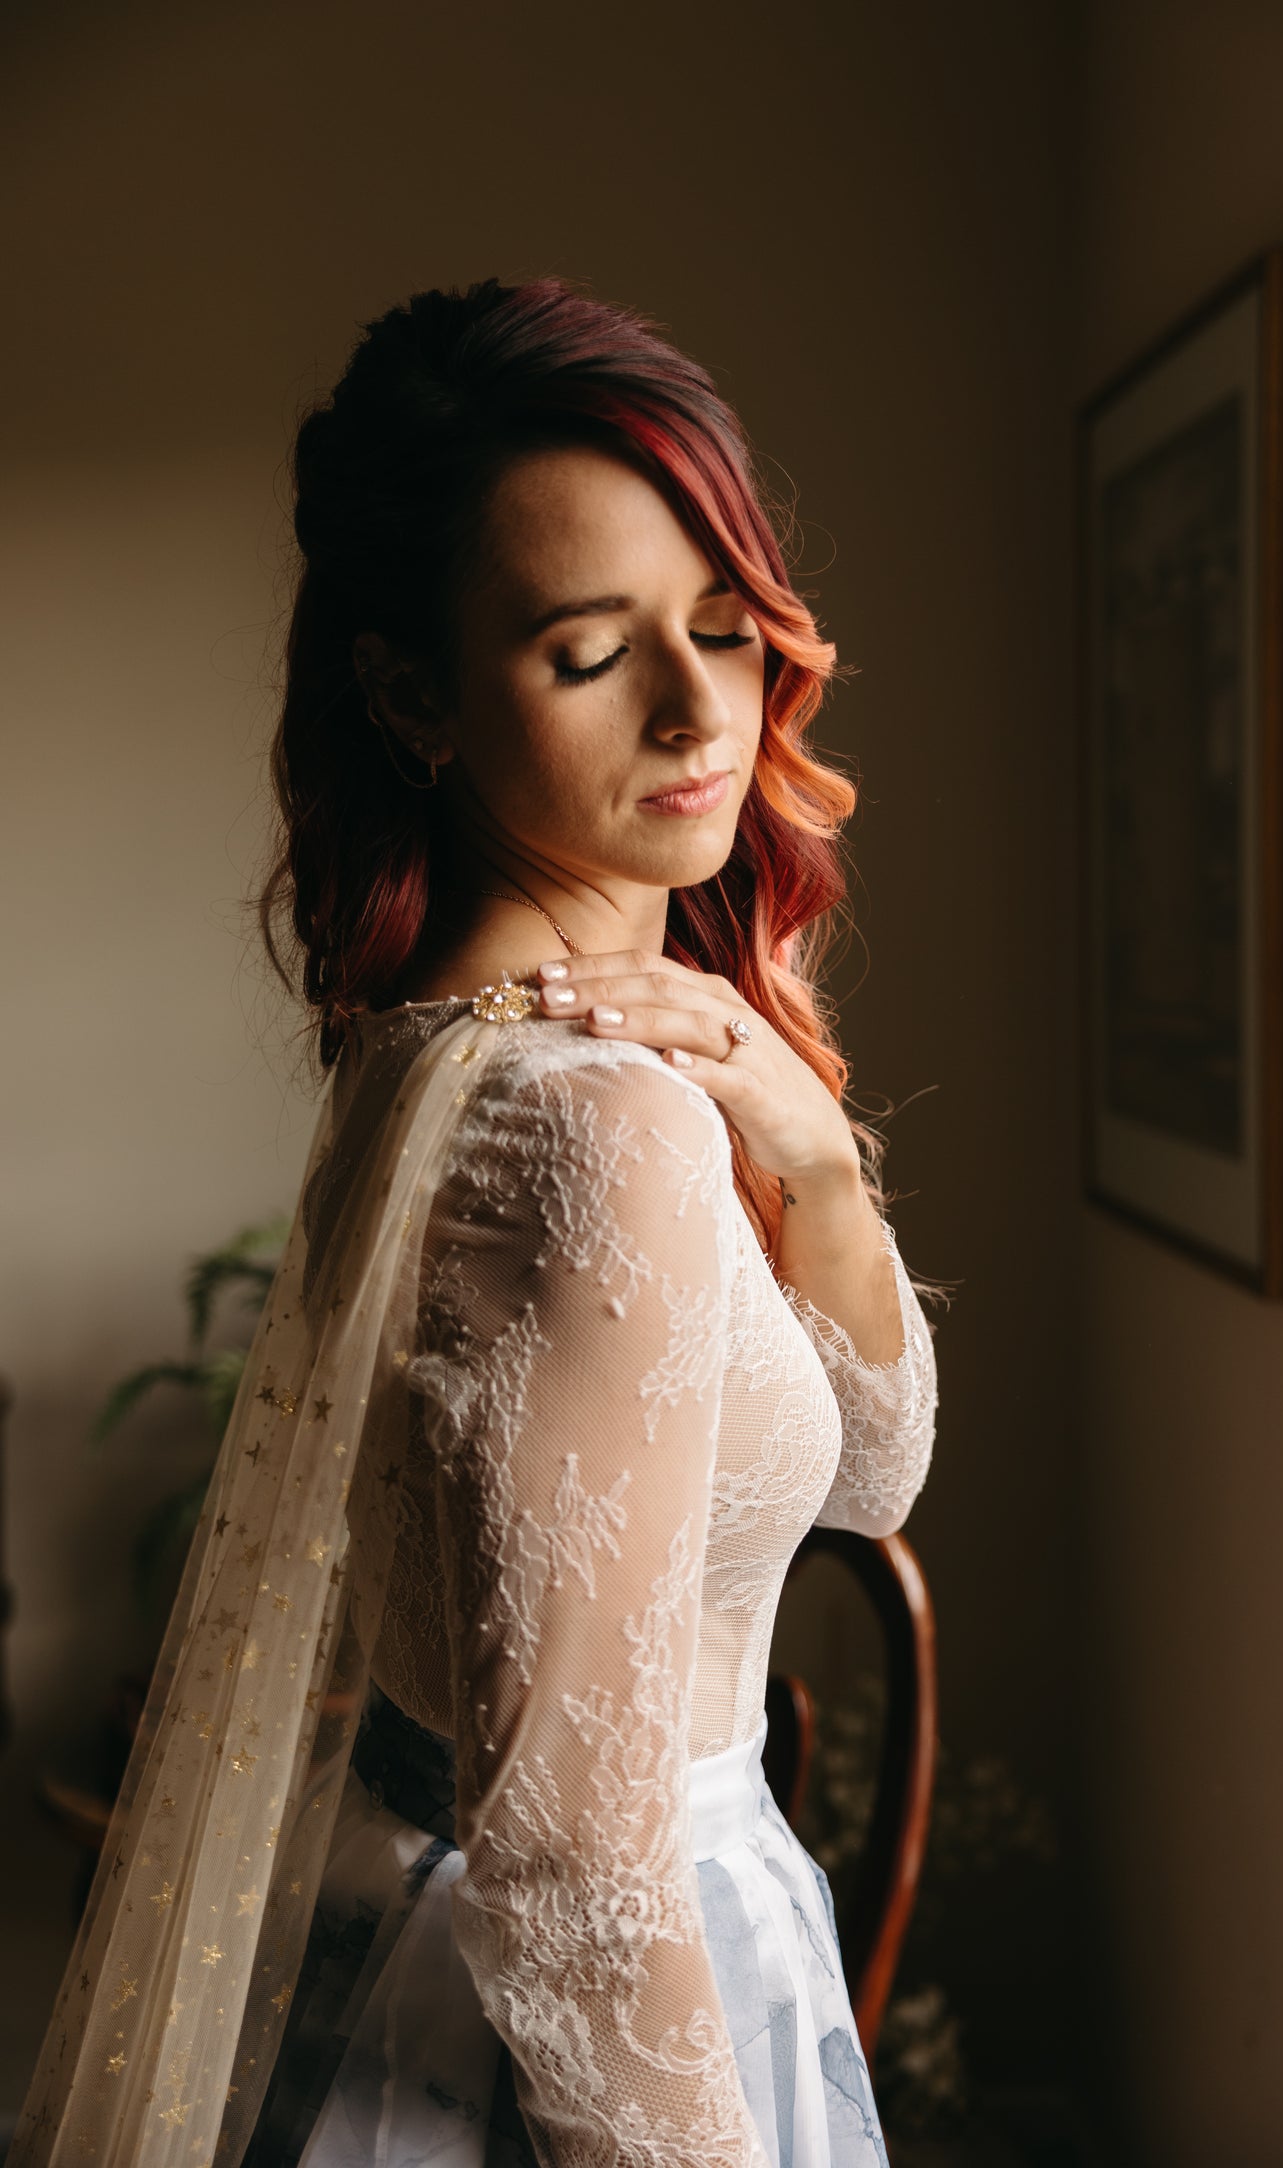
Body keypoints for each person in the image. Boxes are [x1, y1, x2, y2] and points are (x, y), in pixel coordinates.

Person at [13, 277, 938, 2168]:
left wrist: (816, 1156)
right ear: (410, 691)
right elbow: (581, 1885)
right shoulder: (586, 1136)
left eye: (722, 625)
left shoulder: (434, 1044)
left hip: (541, 1945)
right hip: (588, 2040)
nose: (702, 710)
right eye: (592, 653)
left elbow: (864, 1482)